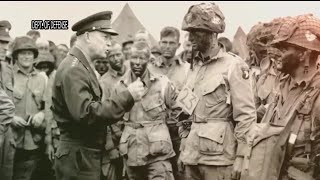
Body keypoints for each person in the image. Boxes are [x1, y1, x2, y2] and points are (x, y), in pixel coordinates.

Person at [52, 11, 145, 180]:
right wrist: (128, 96)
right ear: (87, 36)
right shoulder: (74, 69)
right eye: (105, 37)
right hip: (79, 158)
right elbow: (87, 113)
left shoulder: (81, 66)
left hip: (83, 155)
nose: (110, 43)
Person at [178, 2, 257, 180]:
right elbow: (185, 110)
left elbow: (246, 116)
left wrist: (241, 156)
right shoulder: (194, 66)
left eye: (195, 32)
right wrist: (184, 146)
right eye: (188, 32)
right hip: (192, 156)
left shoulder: (234, 66)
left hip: (220, 159)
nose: (189, 38)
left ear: (212, 33)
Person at [242, 14, 320, 180]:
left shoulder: (317, 96)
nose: (277, 54)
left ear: (303, 55)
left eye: (284, 49)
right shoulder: (281, 85)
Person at [116, 41, 177, 180]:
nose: (137, 62)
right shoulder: (120, 86)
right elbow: (114, 120)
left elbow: (180, 109)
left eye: (142, 58)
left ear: (149, 60)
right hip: (132, 153)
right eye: (134, 58)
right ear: (128, 59)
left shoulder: (162, 83)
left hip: (158, 154)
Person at [148, 26, 189, 180]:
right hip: (156, 132)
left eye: (172, 43)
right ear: (159, 44)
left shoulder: (186, 69)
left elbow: (190, 104)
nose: (167, 46)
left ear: (178, 45)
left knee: (181, 173)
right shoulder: (150, 69)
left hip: (178, 131)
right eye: (164, 42)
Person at [11, 36, 47, 180]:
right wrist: (10, 117)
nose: (26, 57)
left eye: (29, 53)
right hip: (11, 140)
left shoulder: (42, 79)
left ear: (34, 56)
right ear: (16, 56)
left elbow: (51, 107)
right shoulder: (7, 77)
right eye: (22, 53)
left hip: (34, 141)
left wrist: (42, 115)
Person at [100, 42, 128, 180]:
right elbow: (102, 116)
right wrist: (110, 147)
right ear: (107, 59)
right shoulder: (103, 82)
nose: (116, 58)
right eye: (112, 56)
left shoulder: (132, 73)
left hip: (133, 137)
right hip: (116, 140)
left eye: (118, 54)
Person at [0, 19, 15, 180]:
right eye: (1, 42)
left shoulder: (7, 69)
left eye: (7, 43)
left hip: (8, 139)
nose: (5, 47)